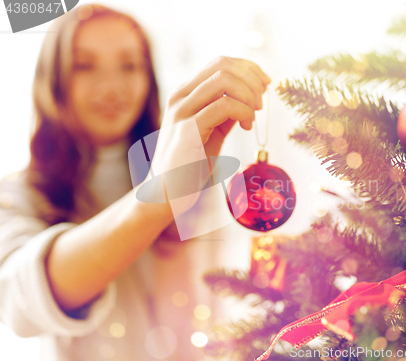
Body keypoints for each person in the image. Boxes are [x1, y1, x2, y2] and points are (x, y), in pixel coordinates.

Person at [0, 4, 270, 361]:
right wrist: (157, 198)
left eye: (129, 65)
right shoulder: (19, 195)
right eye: (85, 65)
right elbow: (22, 302)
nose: (111, 87)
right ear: (54, 80)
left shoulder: (200, 171)